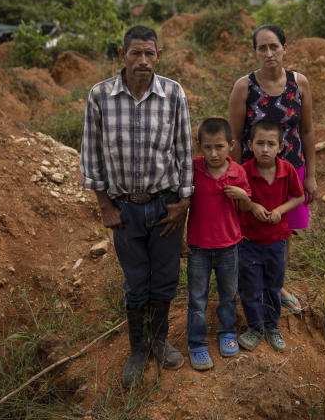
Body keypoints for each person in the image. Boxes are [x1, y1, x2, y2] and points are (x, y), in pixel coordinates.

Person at [80, 25, 193, 388]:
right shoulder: (100, 96)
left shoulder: (173, 93)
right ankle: (137, 348)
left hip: (165, 207)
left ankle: (160, 341)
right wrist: (105, 207)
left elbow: (184, 152)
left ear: (159, 55)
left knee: (165, 279)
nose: (143, 60)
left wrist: (184, 203)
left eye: (149, 53)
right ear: (122, 55)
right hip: (124, 208)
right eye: (135, 53)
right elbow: (92, 153)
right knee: (135, 282)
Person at [228, 23, 316, 314]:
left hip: (291, 171)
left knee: (284, 229)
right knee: (252, 229)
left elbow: (307, 130)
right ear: (255, 52)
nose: (268, 53)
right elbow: (235, 137)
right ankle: (249, 286)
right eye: (262, 48)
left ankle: (276, 285)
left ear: (284, 48)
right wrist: (237, 178)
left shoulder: (298, 82)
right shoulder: (245, 87)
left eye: (274, 46)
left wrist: (311, 175)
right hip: (254, 175)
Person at [185, 117, 255, 370]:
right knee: (197, 298)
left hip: (229, 246)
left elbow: (247, 207)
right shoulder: (193, 169)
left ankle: (227, 333)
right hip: (198, 247)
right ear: (199, 146)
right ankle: (197, 343)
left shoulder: (238, 172)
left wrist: (242, 196)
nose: (214, 154)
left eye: (219, 147)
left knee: (228, 294)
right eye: (208, 147)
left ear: (231, 146)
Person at [236, 119, 304, 352]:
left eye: (271, 144)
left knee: (273, 286)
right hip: (249, 241)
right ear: (250, 144)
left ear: (281, 147)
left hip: (277, 241)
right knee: (251, 287)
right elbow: (238, 202)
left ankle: (272, 327)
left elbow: (299, 197)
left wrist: (279, 211)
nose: (265, 149)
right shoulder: (243, 171)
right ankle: (255, 327)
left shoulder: (287, 171)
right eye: (260, 143)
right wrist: (252, 205)